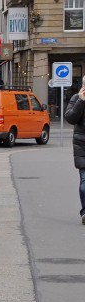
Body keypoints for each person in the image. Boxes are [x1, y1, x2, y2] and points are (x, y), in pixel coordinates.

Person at [63, 83, 85, 225]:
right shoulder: (76, 98)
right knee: (84, 180)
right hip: (82, 146)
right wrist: (81, 101)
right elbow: (70, 118)